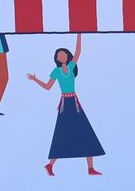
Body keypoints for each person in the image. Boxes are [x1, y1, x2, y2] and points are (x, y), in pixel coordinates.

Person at [26, 38, 103, 176]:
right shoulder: (56, 71)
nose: (61, 56)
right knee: (61, 134)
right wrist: (35, 79)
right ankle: (50, 165)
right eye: (59, 55)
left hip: (74, 102)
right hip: (65, 104)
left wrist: (79, 34)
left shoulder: (72, 66)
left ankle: (90, 168)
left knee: (86, 132)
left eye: (63, 54)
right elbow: (48, 87)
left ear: (67, 56)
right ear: (56, 58)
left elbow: (78, 52)